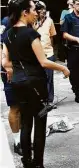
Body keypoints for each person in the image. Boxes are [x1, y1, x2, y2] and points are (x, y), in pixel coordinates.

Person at [2, 0, 70, 168]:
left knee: (25, 123)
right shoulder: (31, 34)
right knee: (40, 124)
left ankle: (27, 162)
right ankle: (38, 164)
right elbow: (44, 61)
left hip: (17, 82)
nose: (36, 13)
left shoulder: (8, 33)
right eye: (33, 10)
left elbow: (6, 60)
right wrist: (63, 67)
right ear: (25, 12)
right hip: (35, 83)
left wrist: (11, 72)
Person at [1, 14, 22, 156]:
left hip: (24, 73)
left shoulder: (24, 27)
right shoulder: (6, 27)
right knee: (15, 107)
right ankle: (17, 141)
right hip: (10, 74)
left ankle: (24, 138)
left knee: (24, 107)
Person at [34, 1, 57, 107]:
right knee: (38, 78)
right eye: (40, 10)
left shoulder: (50, 21)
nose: (43, 12)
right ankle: (40, 99)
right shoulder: (32, 21)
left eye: (44, 10)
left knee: (49, 78)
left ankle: (50, 100)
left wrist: (51, 48)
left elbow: (52, 36)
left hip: (48, 53)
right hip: (35, 54)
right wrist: (37, 24)